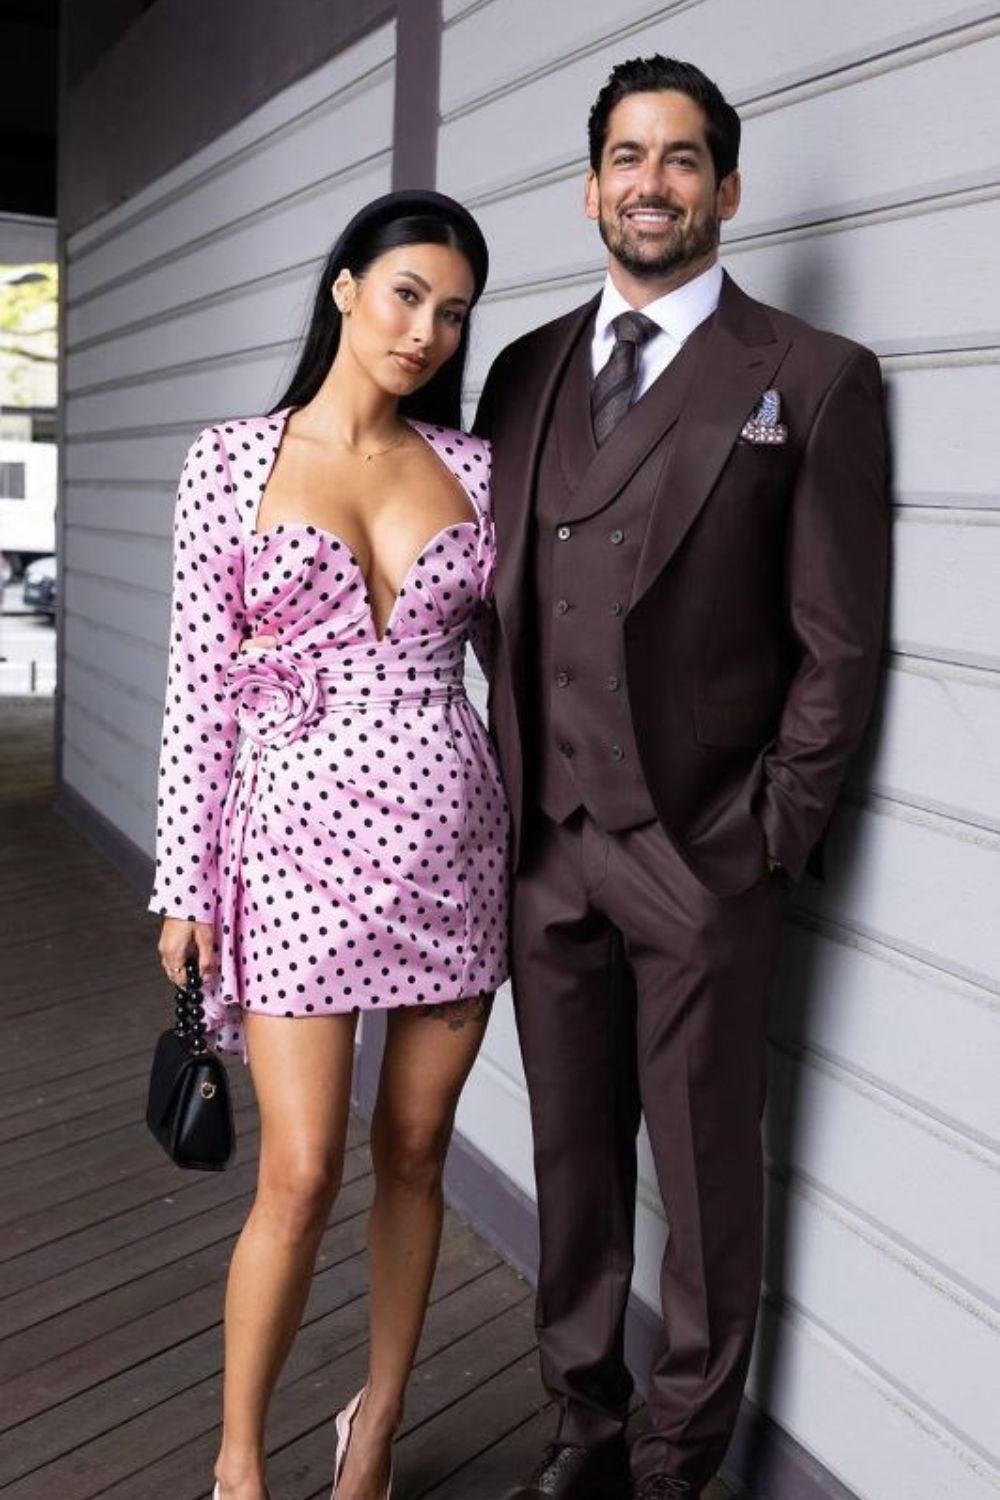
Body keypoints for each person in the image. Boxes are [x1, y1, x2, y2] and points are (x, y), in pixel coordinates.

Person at [474, 56, 888, 1500]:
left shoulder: (812, 379)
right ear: (591, 186)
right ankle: (582, 1436)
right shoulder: (521, 371)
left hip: (704, 859)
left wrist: (764, 841)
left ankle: (675, 1467)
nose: (653, 182)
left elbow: (839, 647)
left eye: (684, 158)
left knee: (706, 1193)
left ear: (725, 185)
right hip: (546, 851)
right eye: (628, 158)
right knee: (572, 1170)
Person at [150, 190, 509, 1500]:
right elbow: (197, 687)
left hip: (453, 850)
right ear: (347, 286)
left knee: (415, 1153)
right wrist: (182, 882)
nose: (426, 327)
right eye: (407, 292)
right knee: (297, 1173)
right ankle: (239, 1467)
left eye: (454, 309)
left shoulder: (475, 470)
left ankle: (374, 1444)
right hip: (290, 847)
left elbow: (525, 670)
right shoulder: (232, 459)